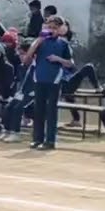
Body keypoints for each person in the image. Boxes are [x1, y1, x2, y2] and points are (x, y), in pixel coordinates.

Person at [26, 18, 74, 150]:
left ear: (59, 29)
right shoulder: (39, 42)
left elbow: (70, 64)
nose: (51, 30)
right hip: (39, 78)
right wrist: (38, 42)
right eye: (49, 27)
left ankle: (50, 140)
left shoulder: (63, 44)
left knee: (51, 111)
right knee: (38, 110)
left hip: (54, 80)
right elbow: (27, 58)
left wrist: (58, 59)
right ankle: (37, 139)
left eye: (54, 28)